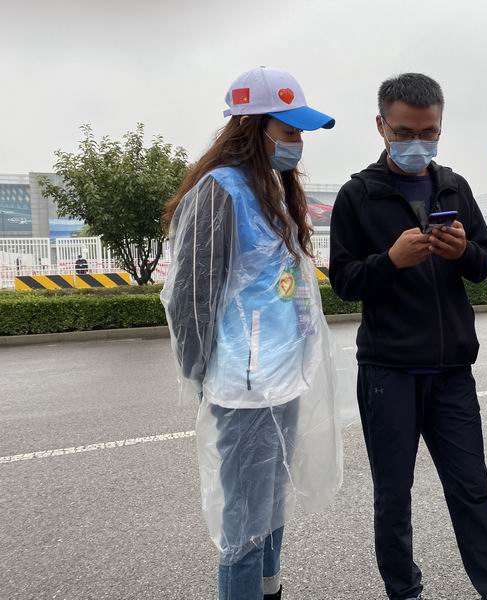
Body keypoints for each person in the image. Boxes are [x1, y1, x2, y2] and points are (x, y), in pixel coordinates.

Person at [329, 73, 487, 600]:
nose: (418, 142)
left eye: (429, 132)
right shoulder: (357, 195)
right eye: (405, 132)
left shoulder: (453, 186)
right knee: (394, 496)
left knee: (472, 489)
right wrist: (390, 261)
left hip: (452, 370)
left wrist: (463, 252)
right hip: (388, 371)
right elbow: (343, 280)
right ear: (382, 126)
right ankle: (404, 591)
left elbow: (482, 263)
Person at [160, 67, 346, 600]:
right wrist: (197, 372)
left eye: (299, 133)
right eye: (288, 131)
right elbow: (192, 296)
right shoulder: (220, 192)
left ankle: (270, 589)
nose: (297, 143)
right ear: (252, 126)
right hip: (244, 388)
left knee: (272, 508)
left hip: (283, 379)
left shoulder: (272, 190)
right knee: (244, 525)